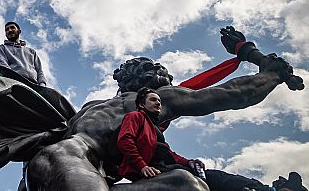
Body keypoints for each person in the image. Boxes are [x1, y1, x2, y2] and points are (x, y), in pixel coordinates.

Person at [25, 28, 304, 191]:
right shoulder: (157, 98)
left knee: (181, 182)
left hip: (47, 165)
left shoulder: (90, 109)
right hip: (74, 167)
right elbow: (234, 94)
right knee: (187, 185)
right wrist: (271, 75)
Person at [118, 88, 276, 190]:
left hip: (166, 167)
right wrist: (142, 166)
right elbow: (125, 140)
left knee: (216, 177)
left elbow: (169, 154)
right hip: (153, 171)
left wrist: (189, 162)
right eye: (153, 100)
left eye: (159, 100)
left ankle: (265, 189)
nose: (158, 102)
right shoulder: (135, 116)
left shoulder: (154, 128)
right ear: (141, 105)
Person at [0, 22, 46, 86]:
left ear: (19, 31)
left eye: (12, 28)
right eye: (7, 29)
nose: (9, 30)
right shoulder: (2, 48)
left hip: (34, 85)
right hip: (14, 83)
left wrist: (42, 85)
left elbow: (39, 70)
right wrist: (15, 81)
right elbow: (3, 66)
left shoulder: (31, 52)